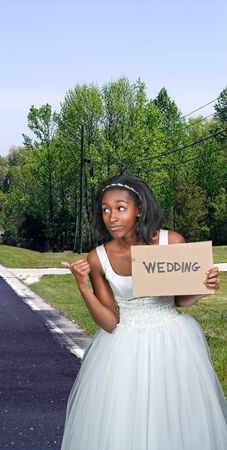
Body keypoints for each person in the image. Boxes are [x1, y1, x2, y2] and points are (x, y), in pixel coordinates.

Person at [61, 174, 226, 450]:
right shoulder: (98, 257)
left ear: (138, 210)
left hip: (174, 342)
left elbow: (181, 301)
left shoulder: (170, 242)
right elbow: (110, 322)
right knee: (125, 423)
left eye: (120, 208)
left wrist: (203, 286)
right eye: (105, 209)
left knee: (174, 418)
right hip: (123, 349)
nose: (112, 216)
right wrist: (82, 286)